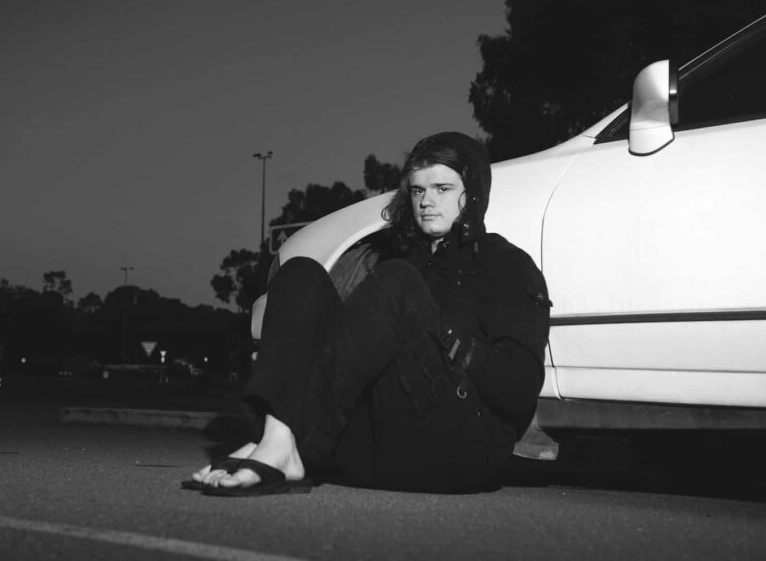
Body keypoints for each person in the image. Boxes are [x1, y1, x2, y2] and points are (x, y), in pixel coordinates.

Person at [186, 131, 551, 496]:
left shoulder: (505, 264)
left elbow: (518, 390)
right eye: (418, 190)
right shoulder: (404, 261)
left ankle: (289, 448)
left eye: (442, 188)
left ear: (471, 193)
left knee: (396, 281)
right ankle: (278, 439)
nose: (426, 201)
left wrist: (443, 334)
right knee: (300, 273)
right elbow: (347, 358)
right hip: (380, 445)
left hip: (458, 449)